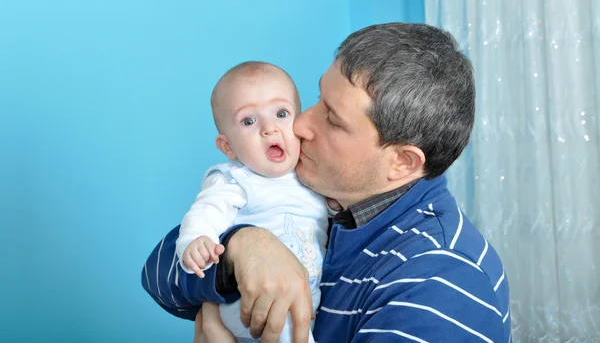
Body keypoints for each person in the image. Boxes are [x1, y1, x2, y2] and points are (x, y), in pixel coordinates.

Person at [142, 23, 511, 343]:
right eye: (319, 98)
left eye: (333, 120)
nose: (300, 126)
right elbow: (159, 277)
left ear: (402, 162)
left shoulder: (441, 282)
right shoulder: (332, 195)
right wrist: (243, 245)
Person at [159, 61, 329, 342]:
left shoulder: (311, 174)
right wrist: (196, 239)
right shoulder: (235, 179)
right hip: (248, 302)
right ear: (228, 146)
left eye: (282, 113)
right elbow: (207, 210)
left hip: (304, 297)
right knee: (291, 330)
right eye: (249, 121)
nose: (269, 129)